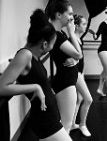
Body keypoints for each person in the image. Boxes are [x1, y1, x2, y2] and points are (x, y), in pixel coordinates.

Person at [0, 9, 72, 141]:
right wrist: (35, 87)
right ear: (44, 44)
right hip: (45, 120)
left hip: (50, 116)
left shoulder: (33, 56)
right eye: (52, 44)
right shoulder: (25, 55)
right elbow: (2, 87)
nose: (52, 47)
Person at [47, 0, 83, 133]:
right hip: (65, 84)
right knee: (66, 126)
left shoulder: (59, 33)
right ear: (58, 15)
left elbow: (76, 57)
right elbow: (79, 54)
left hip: (66, 81)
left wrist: (76, 60)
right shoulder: (57, 35)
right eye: (69, 14)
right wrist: (72, 33)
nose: (72, 17)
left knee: (64, 124)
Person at [64, 15, 93, 137]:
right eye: (84, 24)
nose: (86, 26)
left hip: (80, 72)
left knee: (79, 99)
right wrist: (74, 61)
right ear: (76, 26)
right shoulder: (71, 39)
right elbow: (67, 57)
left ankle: (71, 124)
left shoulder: (78, 38)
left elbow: (79, 58)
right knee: (88, 99)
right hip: (75, 74)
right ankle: (82, 124)